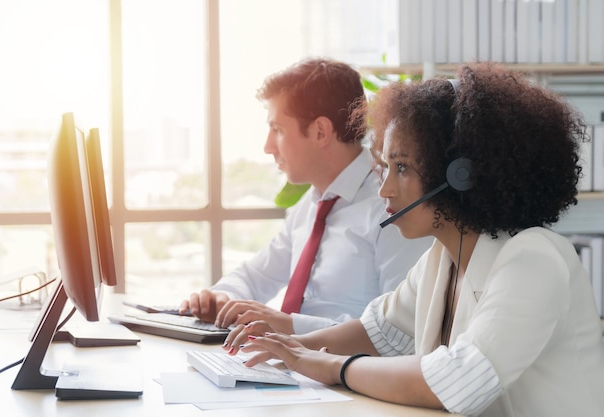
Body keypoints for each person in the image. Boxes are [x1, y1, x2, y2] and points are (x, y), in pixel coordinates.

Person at [224, 62, 604, 416]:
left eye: (401, 167)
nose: (385, 188)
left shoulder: (533, 260)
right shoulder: (442, 258)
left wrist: (328, 365)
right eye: (386, 166)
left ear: (460, 175)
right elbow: (377, 331)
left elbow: (456, 381)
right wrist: (289, 348)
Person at [179, 58, 431, 335]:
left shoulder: (392, 209)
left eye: (278, 130)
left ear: (321, 132)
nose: (267, 146)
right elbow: (256, 275)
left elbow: (397, 331)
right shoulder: (311, 205)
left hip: (345, 373)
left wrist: (289, 326)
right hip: (290, 365)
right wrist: (223, 297)